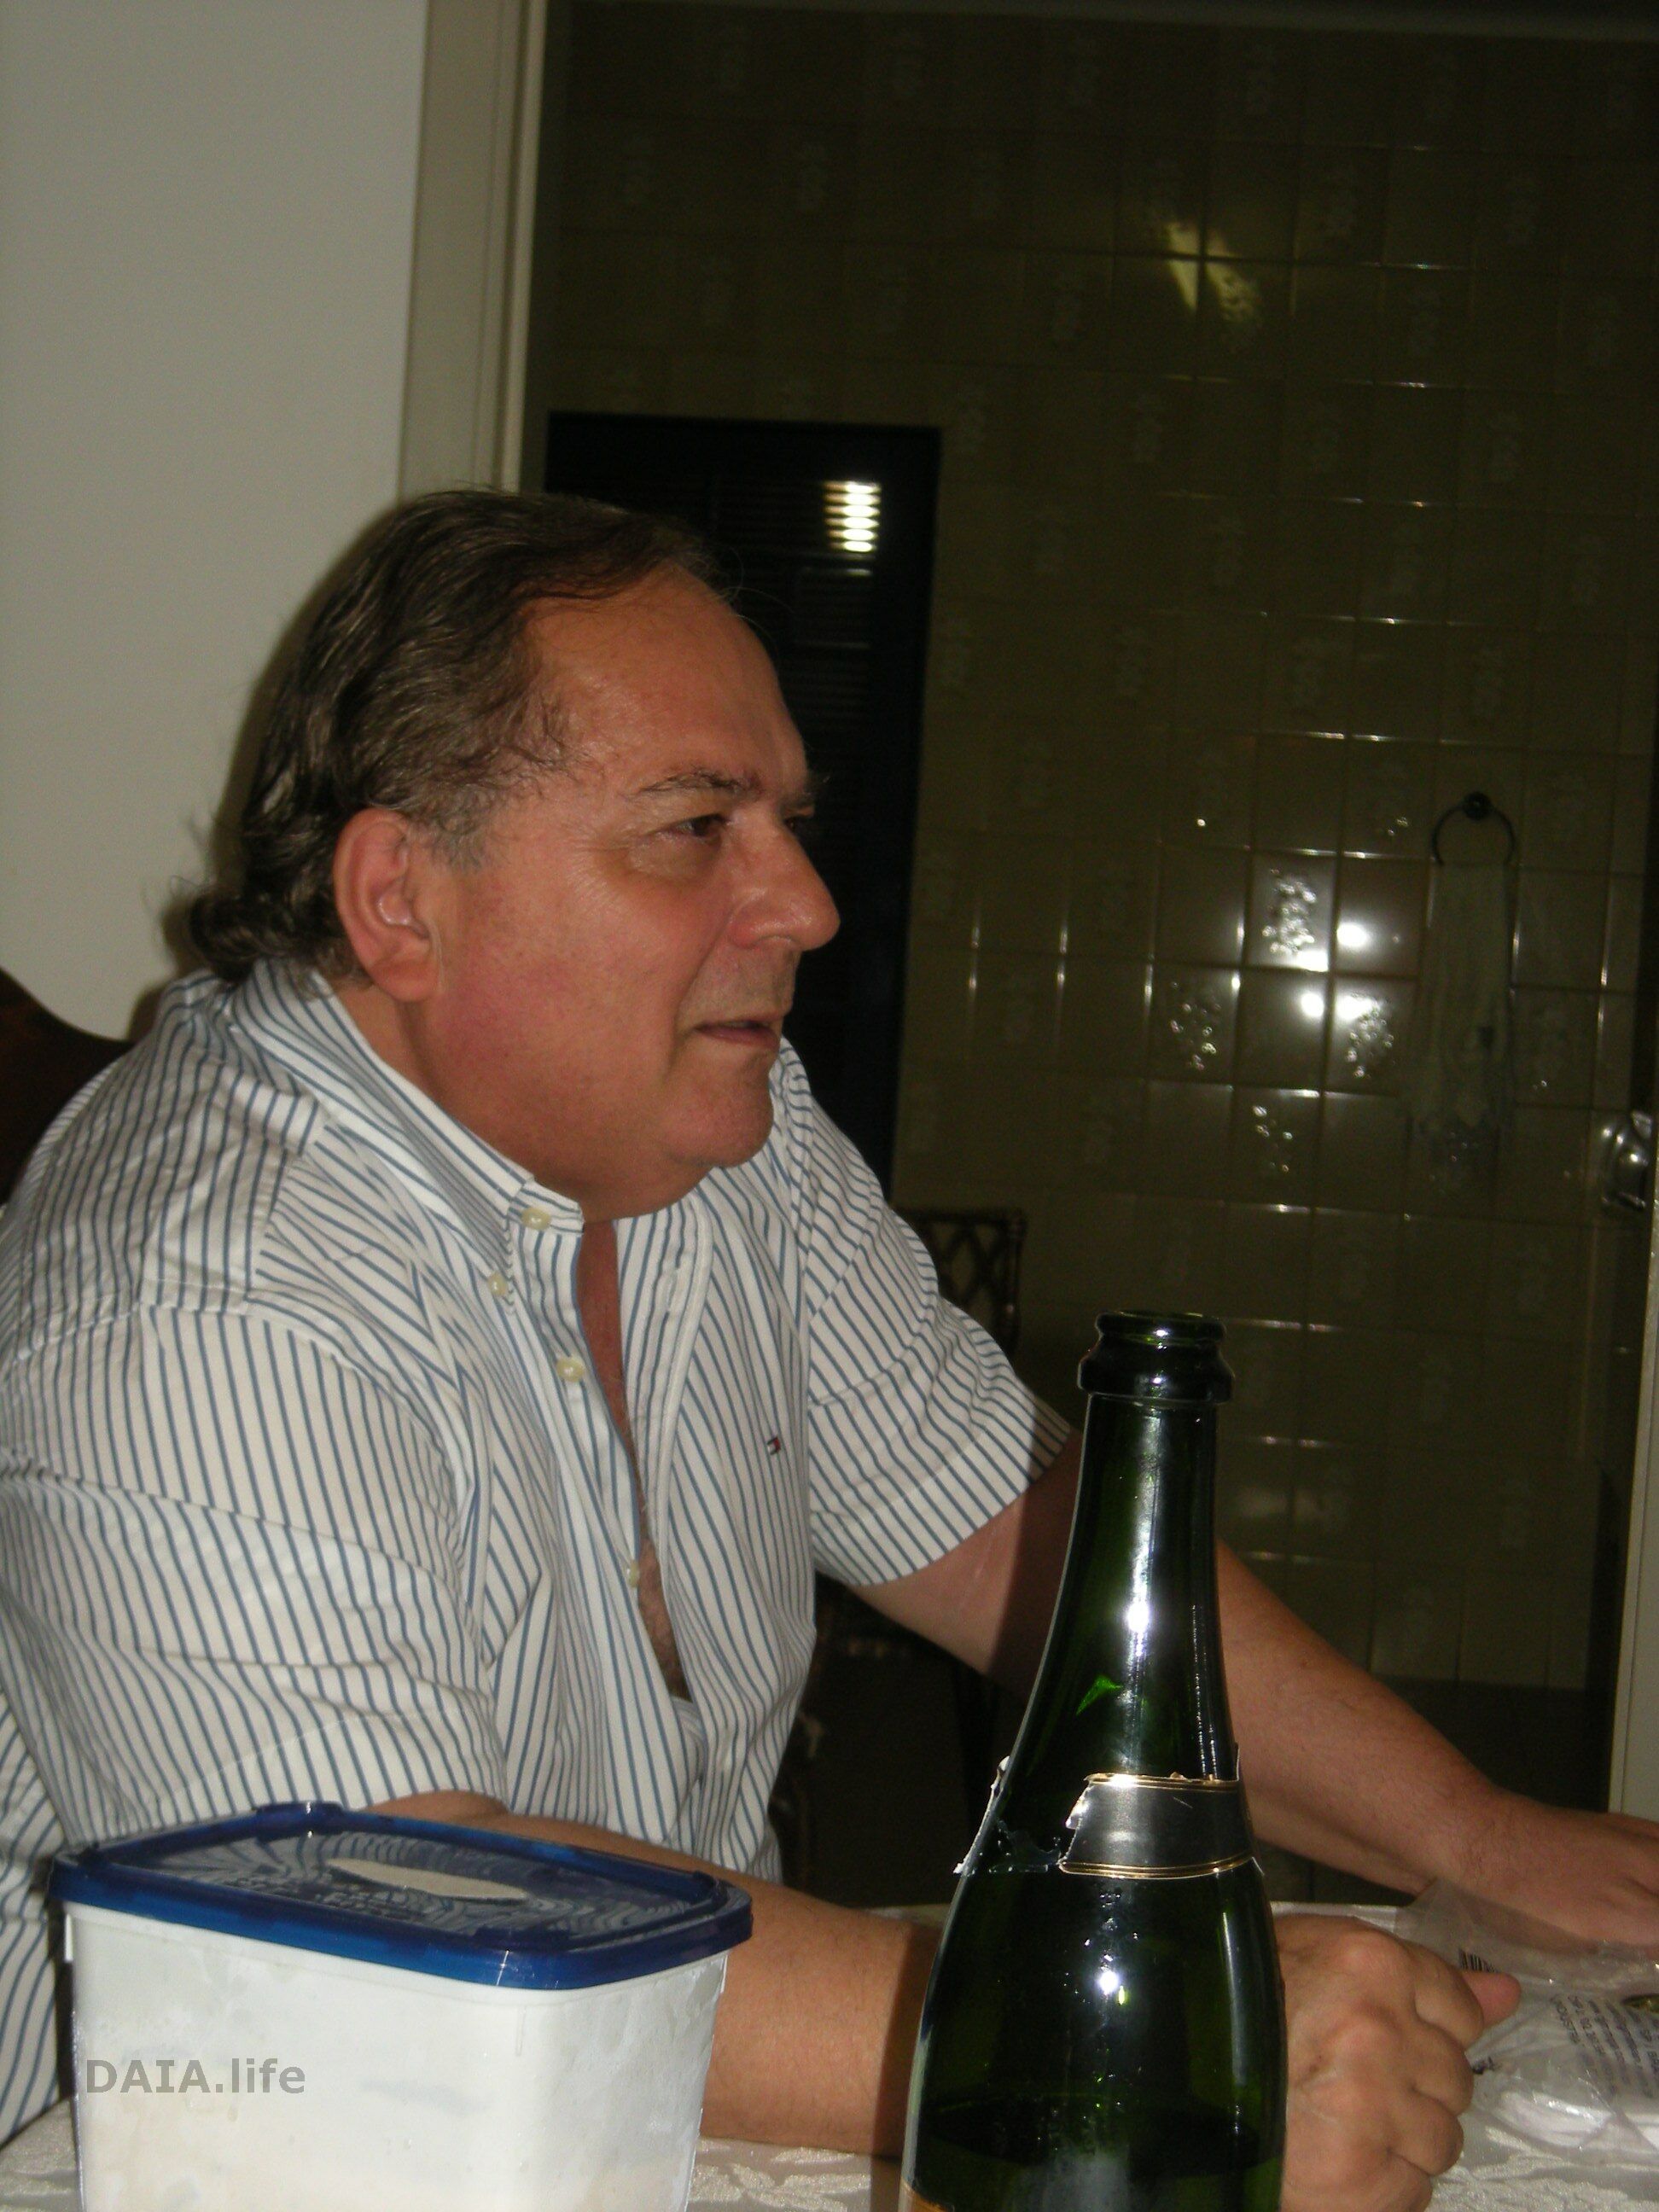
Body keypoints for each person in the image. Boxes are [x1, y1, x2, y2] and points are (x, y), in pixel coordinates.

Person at [1, 491, 1655, 2209]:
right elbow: (376, 1924)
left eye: (785, 822)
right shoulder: (192, 1294)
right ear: (401, 902)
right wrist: (1118, 2052)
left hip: (628, 2127)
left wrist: (1482, 1841)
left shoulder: (724, 1136)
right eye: (692, 828)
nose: (804, 902)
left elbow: (1011, 1533)